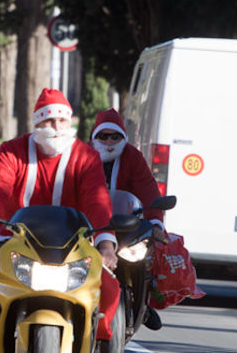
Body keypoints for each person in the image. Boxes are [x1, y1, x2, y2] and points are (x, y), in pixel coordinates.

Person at [0, 88, 119, 353]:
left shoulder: (87, 156)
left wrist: (106, 246)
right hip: (14, 242)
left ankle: (101, 342)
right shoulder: (11, 151)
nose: (56, 127)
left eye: (62, 120)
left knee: (111, 286)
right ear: (37, 122)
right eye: (48, 120)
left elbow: (98, 202)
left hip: (74, 248)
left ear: (70, 122)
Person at [89, 108, 166, 330]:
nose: (109, 141)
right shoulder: (83, 154)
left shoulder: (133, 157)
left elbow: (148, 190)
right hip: (91, 227)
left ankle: (143, 302)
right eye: (104, 136)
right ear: (95, 137)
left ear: (123, 137)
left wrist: (155, 221)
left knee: (145, 257)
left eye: (115, 136)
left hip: (126, 225)